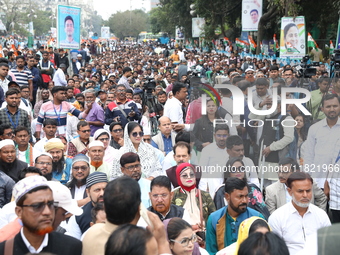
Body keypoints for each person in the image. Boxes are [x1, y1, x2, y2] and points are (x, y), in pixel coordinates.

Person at [0, 175, 82, 255]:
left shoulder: (72, 247)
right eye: (37, 206)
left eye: (51, 204)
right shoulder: (4, 249)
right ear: (19, 212)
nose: (47, 212)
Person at [268, 172, 331, 255]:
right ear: (290, 191)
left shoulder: (321, 215)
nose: (305, 195)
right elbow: (275, 249)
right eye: (300, 191)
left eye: (308, 191)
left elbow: (329, 245)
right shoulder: (277, 217)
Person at [82, 176, 141, 255]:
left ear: (105, 207)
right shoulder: (140, 241)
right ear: (138, 209)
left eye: (104, 190)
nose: (102, 193)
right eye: (97, 190)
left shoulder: (91, 232)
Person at [205, 178, 265, 254]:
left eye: (246, 196)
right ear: (227, 197)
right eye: (240, 197)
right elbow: (211, 252)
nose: (244, 200)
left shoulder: (257, 218)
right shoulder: (214, 219)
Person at [304, 94, 340, 188]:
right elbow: (309, 156)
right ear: (322, 109)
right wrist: (308, 178)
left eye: (335, 106)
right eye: (328, 106)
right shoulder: (314, 129)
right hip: (318, 181)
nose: (332, 109)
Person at [66, 171, 108, 240]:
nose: (102, 194)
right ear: (88, 192)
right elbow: (74, 244)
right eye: (97, 190)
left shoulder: (119, 210)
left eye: (105, 189)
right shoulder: (78, 216)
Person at [172, 163, 216, 227]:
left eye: (191, 174)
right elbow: (170, 219)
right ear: (178, 177)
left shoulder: (205, 195)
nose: (189, 177)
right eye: (184, 175)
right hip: (181, 233)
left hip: (203, 233)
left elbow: (213, 218)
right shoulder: (173, 195)